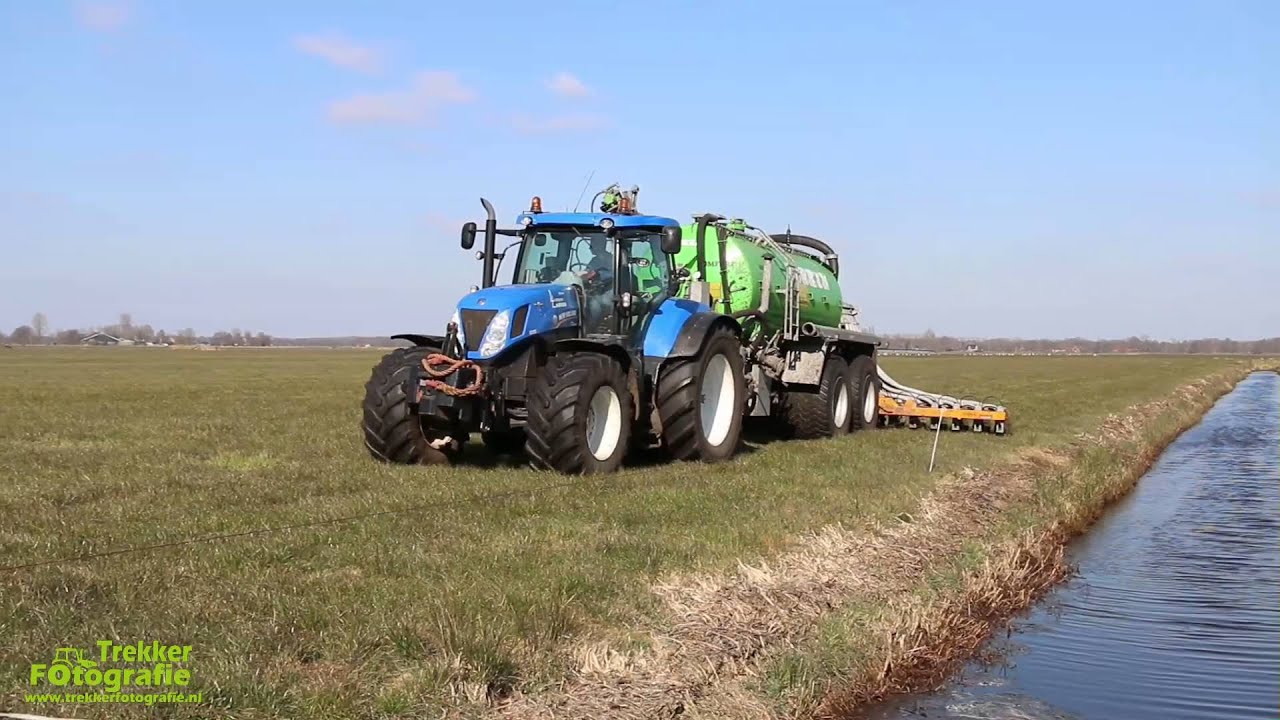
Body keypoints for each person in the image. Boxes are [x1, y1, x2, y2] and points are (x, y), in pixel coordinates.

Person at [578, 235, 615, 331]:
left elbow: (615, 274)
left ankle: (590, 329)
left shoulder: (611, 259)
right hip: (596, 290)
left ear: (601, 244)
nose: (590, 247)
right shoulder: (595, 260)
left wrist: (598, 274)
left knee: (593, 304)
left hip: (609, 292)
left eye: (592, 244)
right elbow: (588, 272)